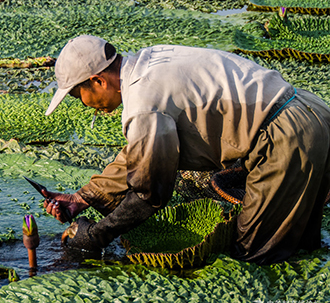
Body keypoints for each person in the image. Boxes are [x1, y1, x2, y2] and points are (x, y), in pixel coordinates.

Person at [42, 35, 330, 265]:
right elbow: (141, 154)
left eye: (79, 95)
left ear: (99, 81)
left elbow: (149, 196)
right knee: (301, 243)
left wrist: (95, 236)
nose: (84, 104)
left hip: (285, 135)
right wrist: (82, 198)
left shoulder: (144, 103)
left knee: (254, 254)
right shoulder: (149, 61)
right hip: (309, 111)